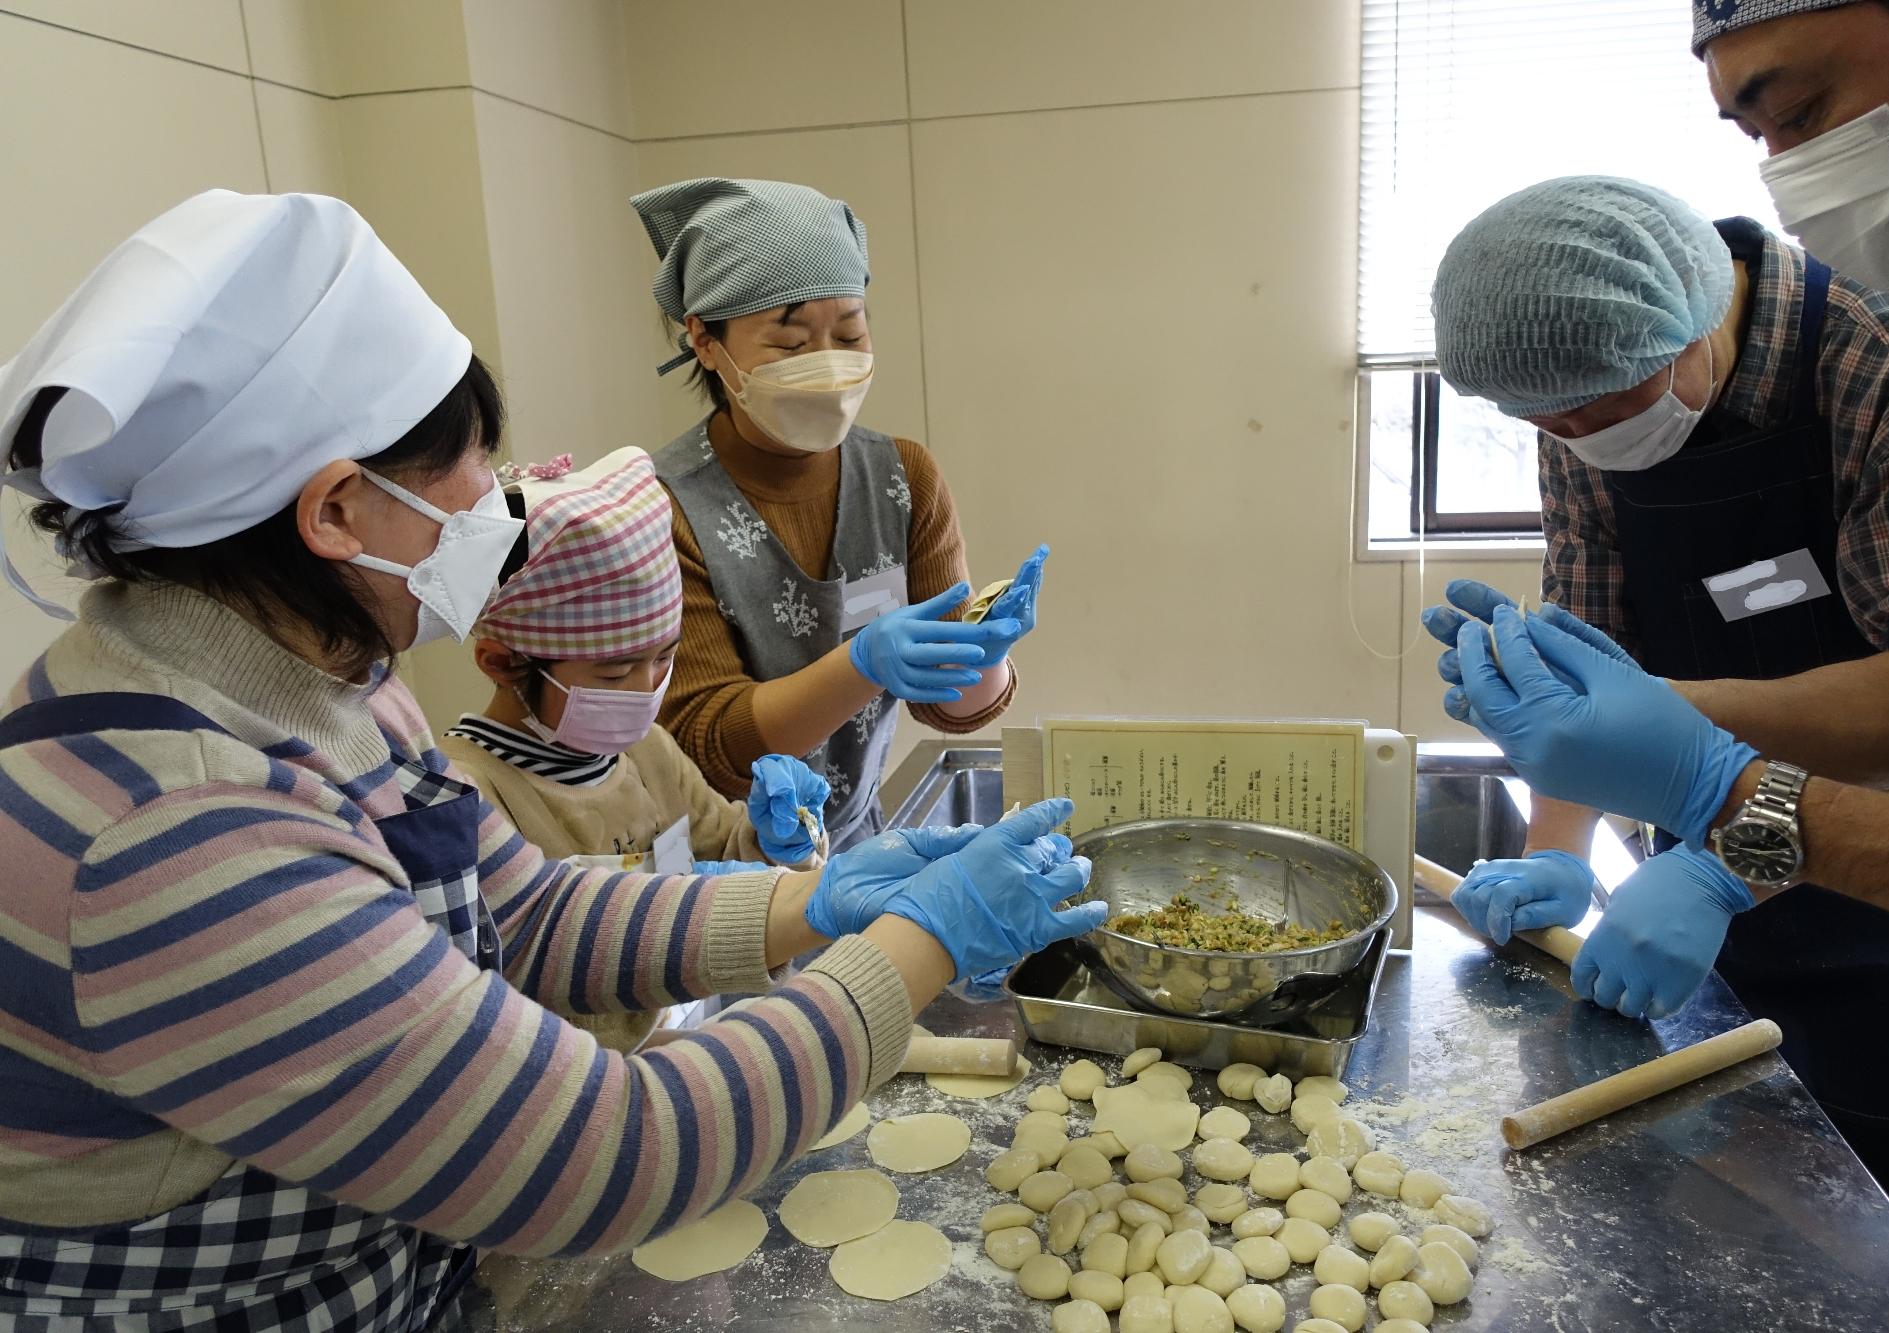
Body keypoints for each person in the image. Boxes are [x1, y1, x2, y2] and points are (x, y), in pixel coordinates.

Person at [0, 189, 1104, 1330]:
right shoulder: (172, 830)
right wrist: (917, 945)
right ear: (335, 510)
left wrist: (804, 902)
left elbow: (519, 912)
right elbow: (609, 1149)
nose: (499, 498)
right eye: (470, 464)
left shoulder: (323, 685)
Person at [1425, 2, 1889, 1311]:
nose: (1573, 436)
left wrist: (1718, 860)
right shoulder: (1584, 387)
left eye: (1600, 409)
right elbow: (1594, 658)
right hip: (1727, 900)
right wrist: (1560, 840)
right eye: (1542, 421)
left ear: (1688, 332)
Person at [630, 177, 1046, 852]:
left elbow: (944, 708)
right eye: (791, 347)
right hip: (720, 871)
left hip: (854, 848)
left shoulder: (903, 479)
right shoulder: (663, 504)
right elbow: (709, 739)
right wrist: (862, 665)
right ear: (705, 341)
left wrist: (982, 660)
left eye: (849, 333)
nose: (827, 366)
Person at [439, 445, 833, 1051]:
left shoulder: (647, 750)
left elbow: (719, 849)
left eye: (664, 657)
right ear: (503, 663)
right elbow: (512, 989)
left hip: (687, 1041)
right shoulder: (472, 796)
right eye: (617, 673)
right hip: (586, 1086)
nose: (649, 689)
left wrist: (775, 843)